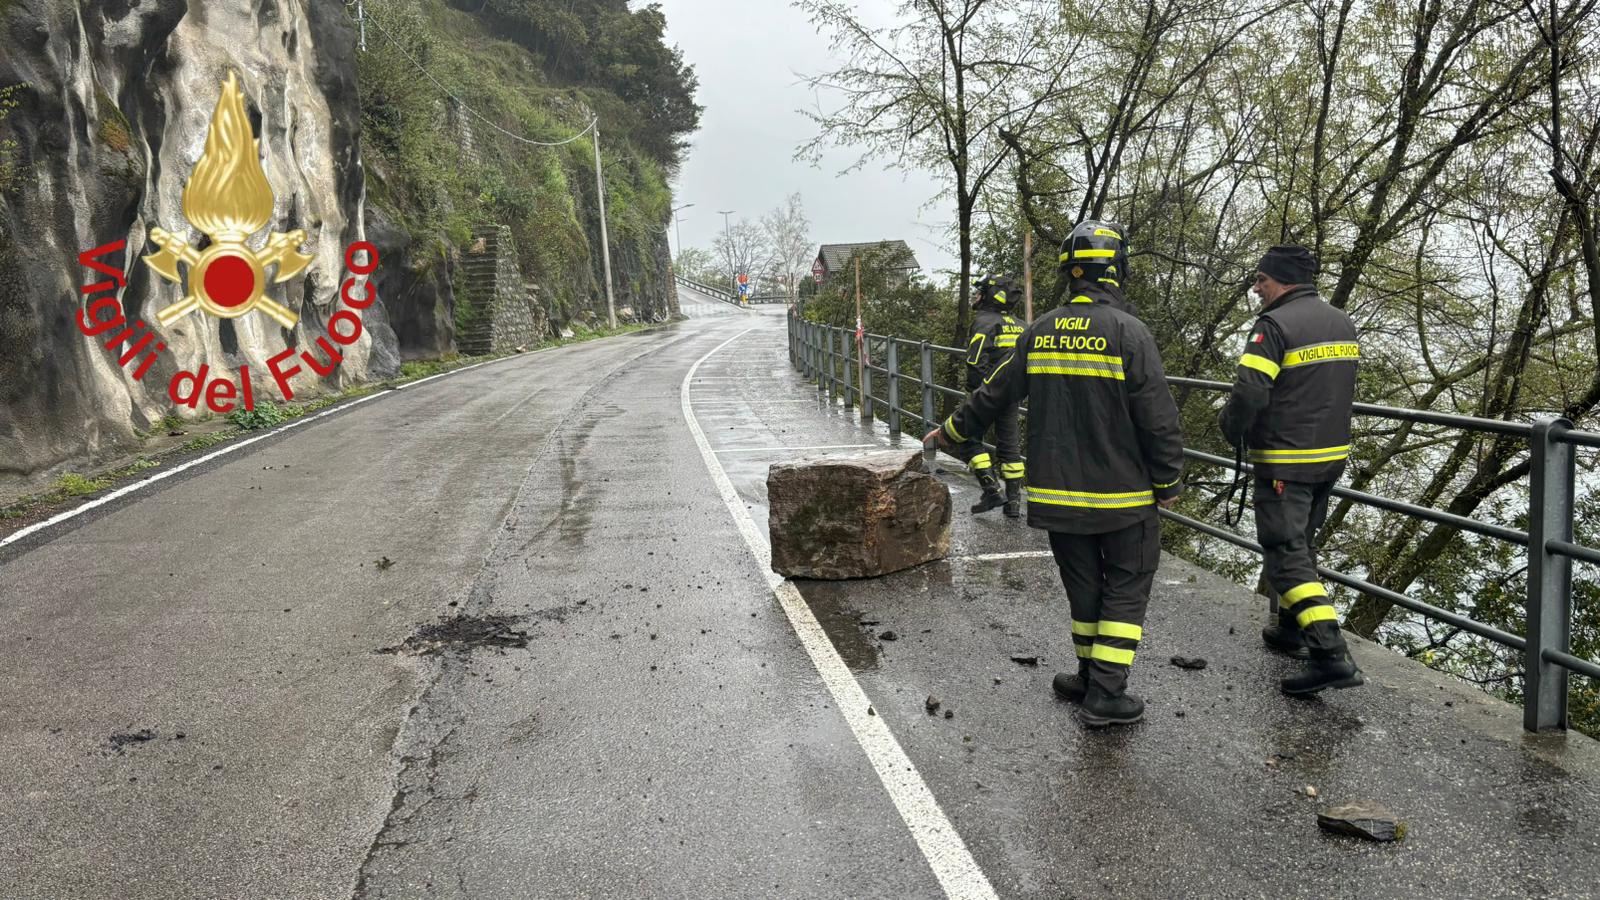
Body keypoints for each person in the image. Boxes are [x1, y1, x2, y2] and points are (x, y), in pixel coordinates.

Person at [926, 221, 1184, 727]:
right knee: (1127, 585)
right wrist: (1169, 480)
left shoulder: (1040, 329)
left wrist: (951, 431)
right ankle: (1107, 692)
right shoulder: (1130, 332)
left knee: (1083, 586)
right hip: (1123, 495)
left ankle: (1088, 676)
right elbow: (1158, 417)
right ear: (1116, 271)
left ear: (1070, 273)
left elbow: (994, 392)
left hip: (1059, 495)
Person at [1218, 244, 1366, 696]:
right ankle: (1289, 628)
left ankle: (1329, 654)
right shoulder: (1341, 321)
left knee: (1285, 554)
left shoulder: (1274, 325)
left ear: (1281, 280)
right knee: (1302, 543)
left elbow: (1250, 391)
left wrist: (1230, 427)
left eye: (1261, 280)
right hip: (1329, 457)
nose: (1256, 288)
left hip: (1287, 459)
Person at [956, 275, 1028, 517]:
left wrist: (976, 393)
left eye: (981, 292)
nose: (976, 296)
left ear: (991, 296)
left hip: (986, 393)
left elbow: (975, 361)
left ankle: (992, 490)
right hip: (1012, 395)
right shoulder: (1022, 325)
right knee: (1010, 447)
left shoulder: (984, 322)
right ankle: (1014, 503)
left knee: (967, 437)